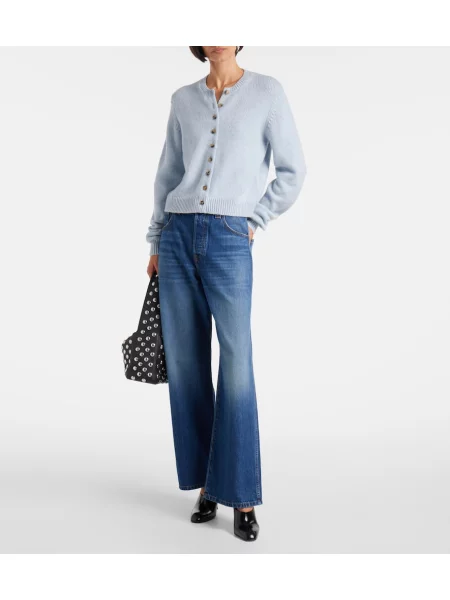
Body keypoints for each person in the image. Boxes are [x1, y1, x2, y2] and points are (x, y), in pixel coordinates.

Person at [146, 46, 307, 542]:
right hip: (177, 238)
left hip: (230, 238)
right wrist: (155, 239)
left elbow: (293, 170)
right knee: (187, 366)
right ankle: (206, 487)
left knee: (236, 363)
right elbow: (168, 173)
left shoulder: (267, 93)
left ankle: (241, 494)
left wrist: (255, 218)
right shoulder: (182, 99)